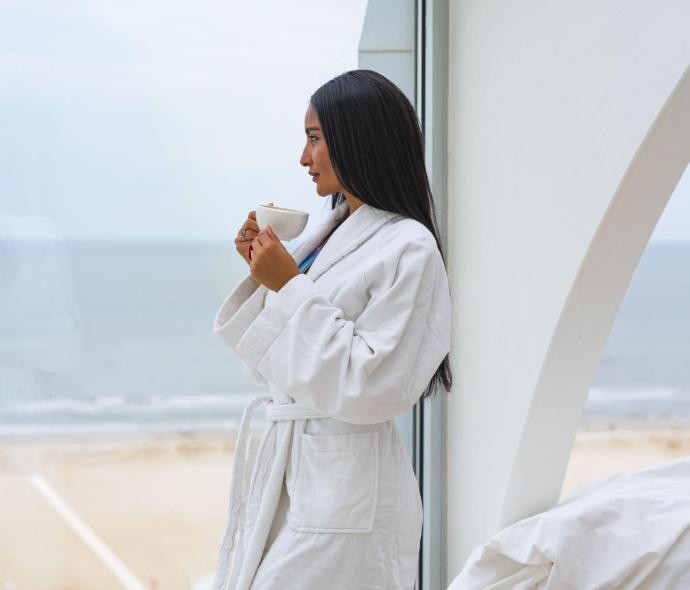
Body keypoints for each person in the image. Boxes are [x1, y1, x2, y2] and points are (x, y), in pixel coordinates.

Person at [211, 69, 452, 590]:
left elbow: (372, 384)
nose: (303, 158)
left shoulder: (409, 247)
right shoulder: (332, 231)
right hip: (297, 470)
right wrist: (267, 276)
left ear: (356, 138)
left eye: (315, 139)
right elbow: (270, 364)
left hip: (348, 492)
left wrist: (289, 285)